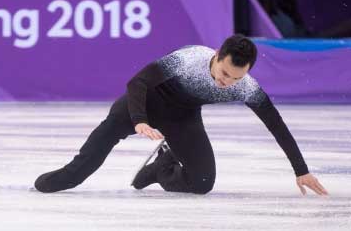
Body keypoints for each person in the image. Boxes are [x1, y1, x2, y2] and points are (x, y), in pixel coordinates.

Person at [34, 34, 328, 196]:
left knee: (202, 184)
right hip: (146, 103)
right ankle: (67, 176)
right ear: (216, 55)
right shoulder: (188, 60)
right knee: (89, 157)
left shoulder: (246, 88)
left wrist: (300, 169)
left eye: (236, 79)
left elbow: (276, 125)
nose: (227, 83)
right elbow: (138, 82)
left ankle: (161, 167)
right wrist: (139, 121)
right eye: (224, 73)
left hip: (183, 117)